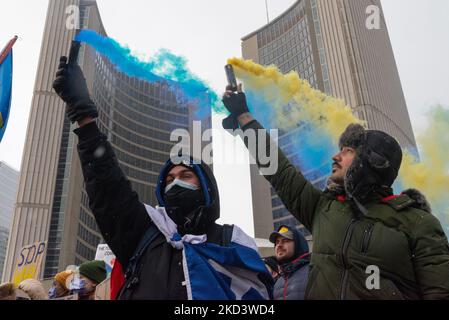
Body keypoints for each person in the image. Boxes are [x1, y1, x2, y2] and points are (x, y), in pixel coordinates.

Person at [52, 56, 272, 300]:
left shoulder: (232, 241)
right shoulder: (143, 234)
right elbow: (108, 187)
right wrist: (84, 117)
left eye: (186, 175)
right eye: (169, 180)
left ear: (206, 186)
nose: (176, 181)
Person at [222, 85, 449, 300]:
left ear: (373, 160)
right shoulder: (322, 208)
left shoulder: (419, 222)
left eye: (347, 151)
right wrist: (243, 116)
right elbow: (279, 170)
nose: (335, 157)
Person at [269, 225, 310, 300]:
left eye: (285, 241)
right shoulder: (277, 283)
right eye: (277, 242)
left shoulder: (313, 271)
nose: (279, 245)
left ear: (298, 244)